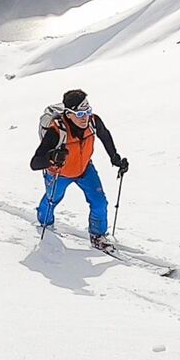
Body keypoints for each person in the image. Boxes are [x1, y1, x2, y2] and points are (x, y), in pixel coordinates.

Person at [30, 89, 129, 251]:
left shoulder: (93, 121)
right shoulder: (56, 132)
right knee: (52, 200)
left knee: (99, 202)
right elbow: (34, 163)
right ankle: (45, 224)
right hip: (59, 173)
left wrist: (115, 157)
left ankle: (98, 236)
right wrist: (52, 157)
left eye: (88, 111)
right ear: (68, 114)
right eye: (80, 113)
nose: (85, 117)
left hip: (84, 169)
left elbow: (104, 135)